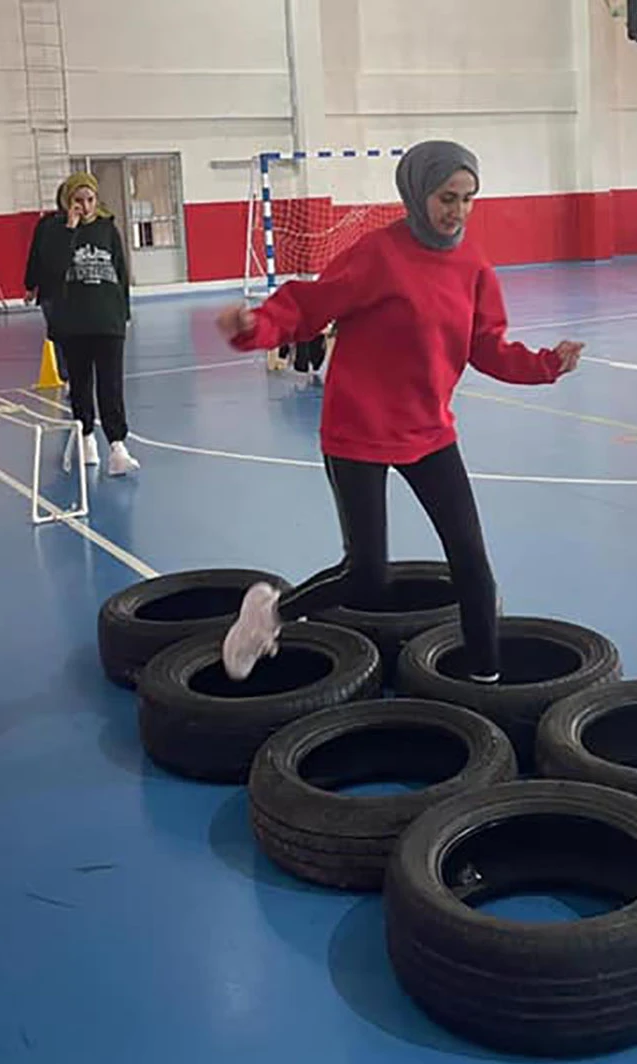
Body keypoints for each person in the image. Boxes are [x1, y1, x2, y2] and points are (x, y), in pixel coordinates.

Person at [215, 139, 583, 682]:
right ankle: (268, 613)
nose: (457, 212)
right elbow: (307, 308)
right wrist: (256, 329)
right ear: (416, 193)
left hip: (429, 432)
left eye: (468, 198)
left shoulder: (474, 266)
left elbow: (488, 345)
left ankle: (486, 684)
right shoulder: (377, 256)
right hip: (356, 431)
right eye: (446, 198)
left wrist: (547, 364)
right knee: (366, 575)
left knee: (474, 569)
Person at [26, 170, 139, 476]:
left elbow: (120, 272)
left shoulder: (107, 228)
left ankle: (117, 445)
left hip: (107, 319)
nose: (85, 206)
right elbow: (50, 268)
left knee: (111, 384)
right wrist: (70, 229)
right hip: (73, 321)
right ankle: (86, 435)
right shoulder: (53, 229)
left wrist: (123, 312)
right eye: (78, 200)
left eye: (90, 200)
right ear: (67, 200)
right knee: (80, 383)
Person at [23, 185, 71, 385]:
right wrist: (30, 285)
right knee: (58, 333)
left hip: (78, 291)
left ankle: (78, 375)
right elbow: (36, 255)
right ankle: (67, 376)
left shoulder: (89, 226)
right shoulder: (46, 224)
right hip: (51, 291)